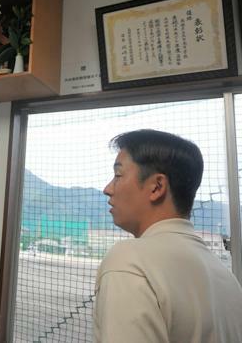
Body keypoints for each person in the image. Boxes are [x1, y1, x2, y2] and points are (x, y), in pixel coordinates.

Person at [94, 129, 242, 342]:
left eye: (118, 175)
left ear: (157, 186)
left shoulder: (131, 261)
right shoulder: (224, 275)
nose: (108, 189)